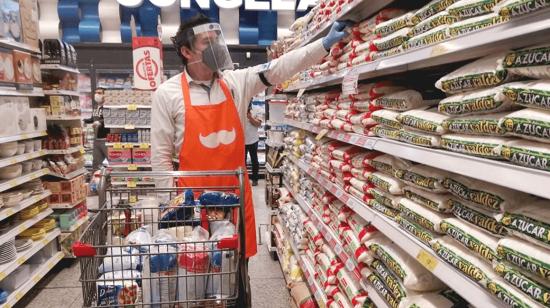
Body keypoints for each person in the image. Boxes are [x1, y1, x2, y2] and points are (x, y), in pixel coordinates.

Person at [151, 13, 349, 262]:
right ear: (187, 52)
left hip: (234, 196)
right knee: (195, 270)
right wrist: (169, 205)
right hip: (192, 201)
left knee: (234, 272)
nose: (215, 47)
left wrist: (323, 45)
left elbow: (278, 68)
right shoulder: (166, 94)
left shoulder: (236, 82)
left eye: (216, 39)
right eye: (206, 42)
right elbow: (160, 156)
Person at [84, 88, 109, 172]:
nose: (97, 95)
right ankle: (96, 182)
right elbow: (92, 119)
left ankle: (114, 180)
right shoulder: (95, 107)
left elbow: (110, 119)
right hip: (96, 139)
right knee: (96, 163)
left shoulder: (108, 107)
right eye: (95, 93)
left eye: (99, 93)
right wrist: (84, 121)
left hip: (106, 139)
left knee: (112, 161)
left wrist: (100, 122)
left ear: (105, 95)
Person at [245, 102, 262, 186]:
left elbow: (258, 124)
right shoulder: (239, 107)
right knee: (242, 162)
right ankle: (243, 179)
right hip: (241, 140)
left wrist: (250, 117)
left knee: (254, 160)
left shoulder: (256, 109)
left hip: (253, 140)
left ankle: (255, 179)